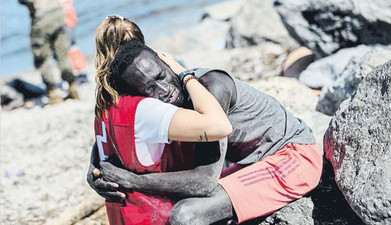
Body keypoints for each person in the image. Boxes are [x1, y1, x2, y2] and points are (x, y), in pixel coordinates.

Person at [87, 15, 323, 224]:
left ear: (167, 62)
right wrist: (96, 168)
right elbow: (116, 130)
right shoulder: (164, 104)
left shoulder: (212, 86)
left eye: (162, 76)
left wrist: (132, 181)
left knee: (185, 214)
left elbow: (203, 183)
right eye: (150, 89)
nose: (164, 90)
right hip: (254, 162)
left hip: (292, 156)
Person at [18, 0, 79, 104]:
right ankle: (72, 85)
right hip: (58, 13)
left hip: (41, 17)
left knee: (41, 58)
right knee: (62, 54)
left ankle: (52, 92)